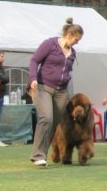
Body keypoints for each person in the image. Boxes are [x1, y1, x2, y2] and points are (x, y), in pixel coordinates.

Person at [28, 17, 84, 167]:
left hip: (61, 91)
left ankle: (43, 154)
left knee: (56, 122)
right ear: (70, 35)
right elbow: (34, 61)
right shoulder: (50, 44)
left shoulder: (72, 53)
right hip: (42, 87)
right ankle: (38, 155)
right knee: (46, 118)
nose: (77, 43)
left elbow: (68, 74)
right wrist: (33, 78)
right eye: (77, 40)